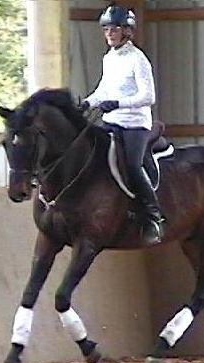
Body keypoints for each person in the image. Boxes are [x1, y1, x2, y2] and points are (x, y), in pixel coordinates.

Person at [80, 5, 164, 245]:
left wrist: (117, 103)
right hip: (111, 121)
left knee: (133, 165)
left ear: (126, 31)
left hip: (135, 124)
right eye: (106, 29)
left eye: (113, 29)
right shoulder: (109, 58)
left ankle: (153, 216)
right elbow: (103, 90)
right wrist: (87, 103)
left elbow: (148, 97)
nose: (109, 33)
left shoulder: (138, 60)